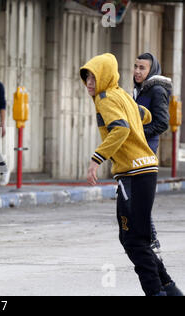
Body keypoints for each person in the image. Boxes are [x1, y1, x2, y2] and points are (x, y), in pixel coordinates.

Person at [80, 53, 182, 296]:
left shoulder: (106, 99)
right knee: (139, 239)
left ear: (105, 76)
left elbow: (120, 129)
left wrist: (96, 160)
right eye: (86, 79)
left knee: (134, 242)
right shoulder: (122, 95)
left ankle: (156, 291)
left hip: (134, 173)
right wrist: (135, 118)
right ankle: (169, 288)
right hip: (145, 170)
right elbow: (144, 115)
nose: (90, 84)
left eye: (94, 78)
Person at [133, 53, 173, 255]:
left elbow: (161, 123)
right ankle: (147, 239)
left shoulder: (156, 90)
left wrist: (137, 134)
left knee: (138, 194)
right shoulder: (139, 90)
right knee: (133, 193)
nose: (137, 71)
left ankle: (152, 240)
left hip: (146, 148)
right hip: (136, 147)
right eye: (136, 66)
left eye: (142, 68)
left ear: (151, 70)